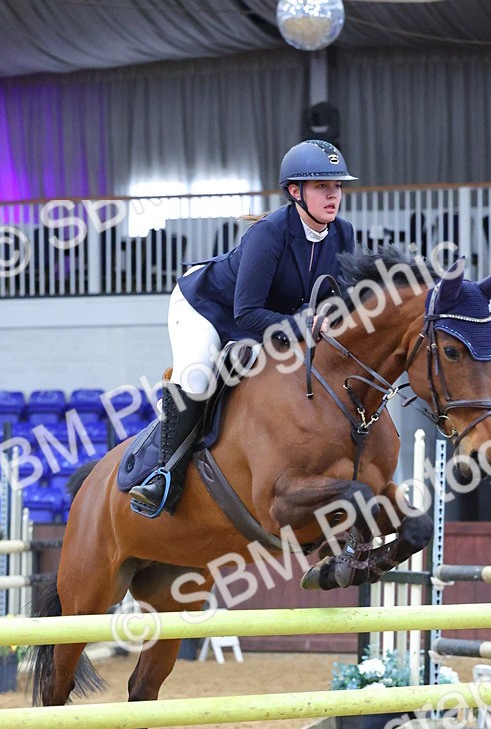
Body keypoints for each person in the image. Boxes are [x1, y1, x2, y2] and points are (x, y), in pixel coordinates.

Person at [129, 139, 358, 517]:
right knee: (197, 379)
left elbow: (343, 300)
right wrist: (304, 324)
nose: (333, 195)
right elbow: (247, 313)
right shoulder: (268, 234)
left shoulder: (343, 233)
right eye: (322, 186)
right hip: (207, 307)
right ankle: (163, 477)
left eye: (336, 186)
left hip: (272, 317)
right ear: (295, 192)